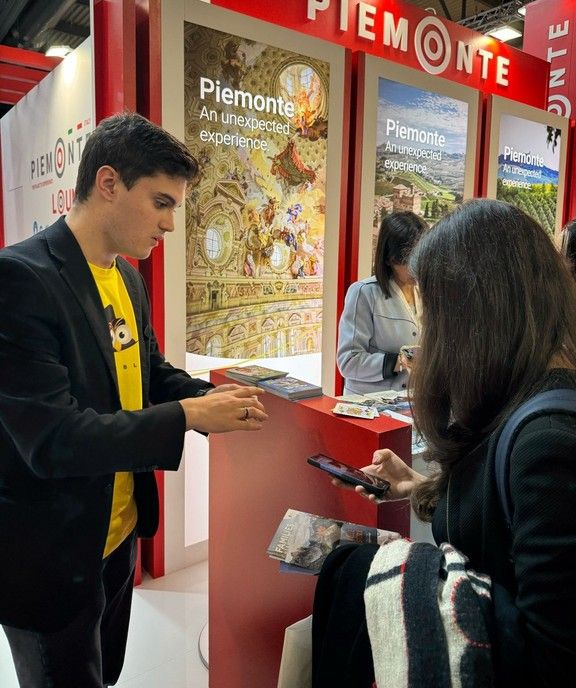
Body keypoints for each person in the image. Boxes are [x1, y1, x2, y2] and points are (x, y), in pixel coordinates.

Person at [0, 112, 268, 688]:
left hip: (118, 539)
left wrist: (212, 398)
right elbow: (53, 440)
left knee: (107, 672)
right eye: (161, 203)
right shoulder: (20, 280)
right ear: (108, 183)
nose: (170, 223)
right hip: (51, 555)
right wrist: (189, 414)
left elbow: (148, 373)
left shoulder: (126, 279)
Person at [314, 199, 576, 687]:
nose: (429, 332)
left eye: (434, 310)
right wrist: (418, 487)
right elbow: (502, 523)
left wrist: (406, 573)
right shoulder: (514, 398)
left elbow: (550, 659)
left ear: (474, 316)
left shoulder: (548, 441)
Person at [336, 211, 427, 395]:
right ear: (390, 258)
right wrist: (398, 362)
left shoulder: (425, 294)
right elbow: (348, 361)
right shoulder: (364, 292)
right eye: (410, 261)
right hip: (371, 403)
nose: (418, 268)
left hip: (413, 400)